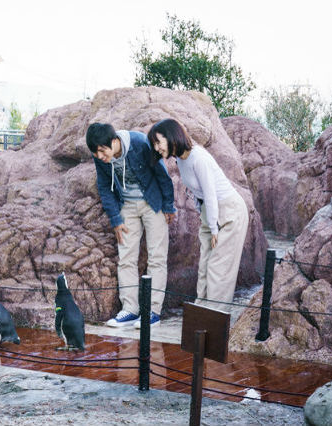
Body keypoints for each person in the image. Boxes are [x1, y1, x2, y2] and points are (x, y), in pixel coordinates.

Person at [148, 118, 249, 309]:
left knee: (219, 269)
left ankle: (215, 317)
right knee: (204, 266)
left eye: (158, 142)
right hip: (209, 212)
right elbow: (198, 194)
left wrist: (214, 228)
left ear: (172, 137)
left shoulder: (198, 157)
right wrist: (207, 221)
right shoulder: (181, 159)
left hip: (228, 212)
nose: (156, 148)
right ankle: (201, 313)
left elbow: (210, 194)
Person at [86, 123, 176, 328]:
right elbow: (104, 187)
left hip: (153, 203)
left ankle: (153, 312)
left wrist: (169, 206)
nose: (100, 156)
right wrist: (115, 219)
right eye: (96, 152)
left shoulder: (139, 143)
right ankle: (130, 309)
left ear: (114, 141)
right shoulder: (100, 157)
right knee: (125, 257)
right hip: (126, 206)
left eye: (102, 150)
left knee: (157, 257)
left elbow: (162, 174)